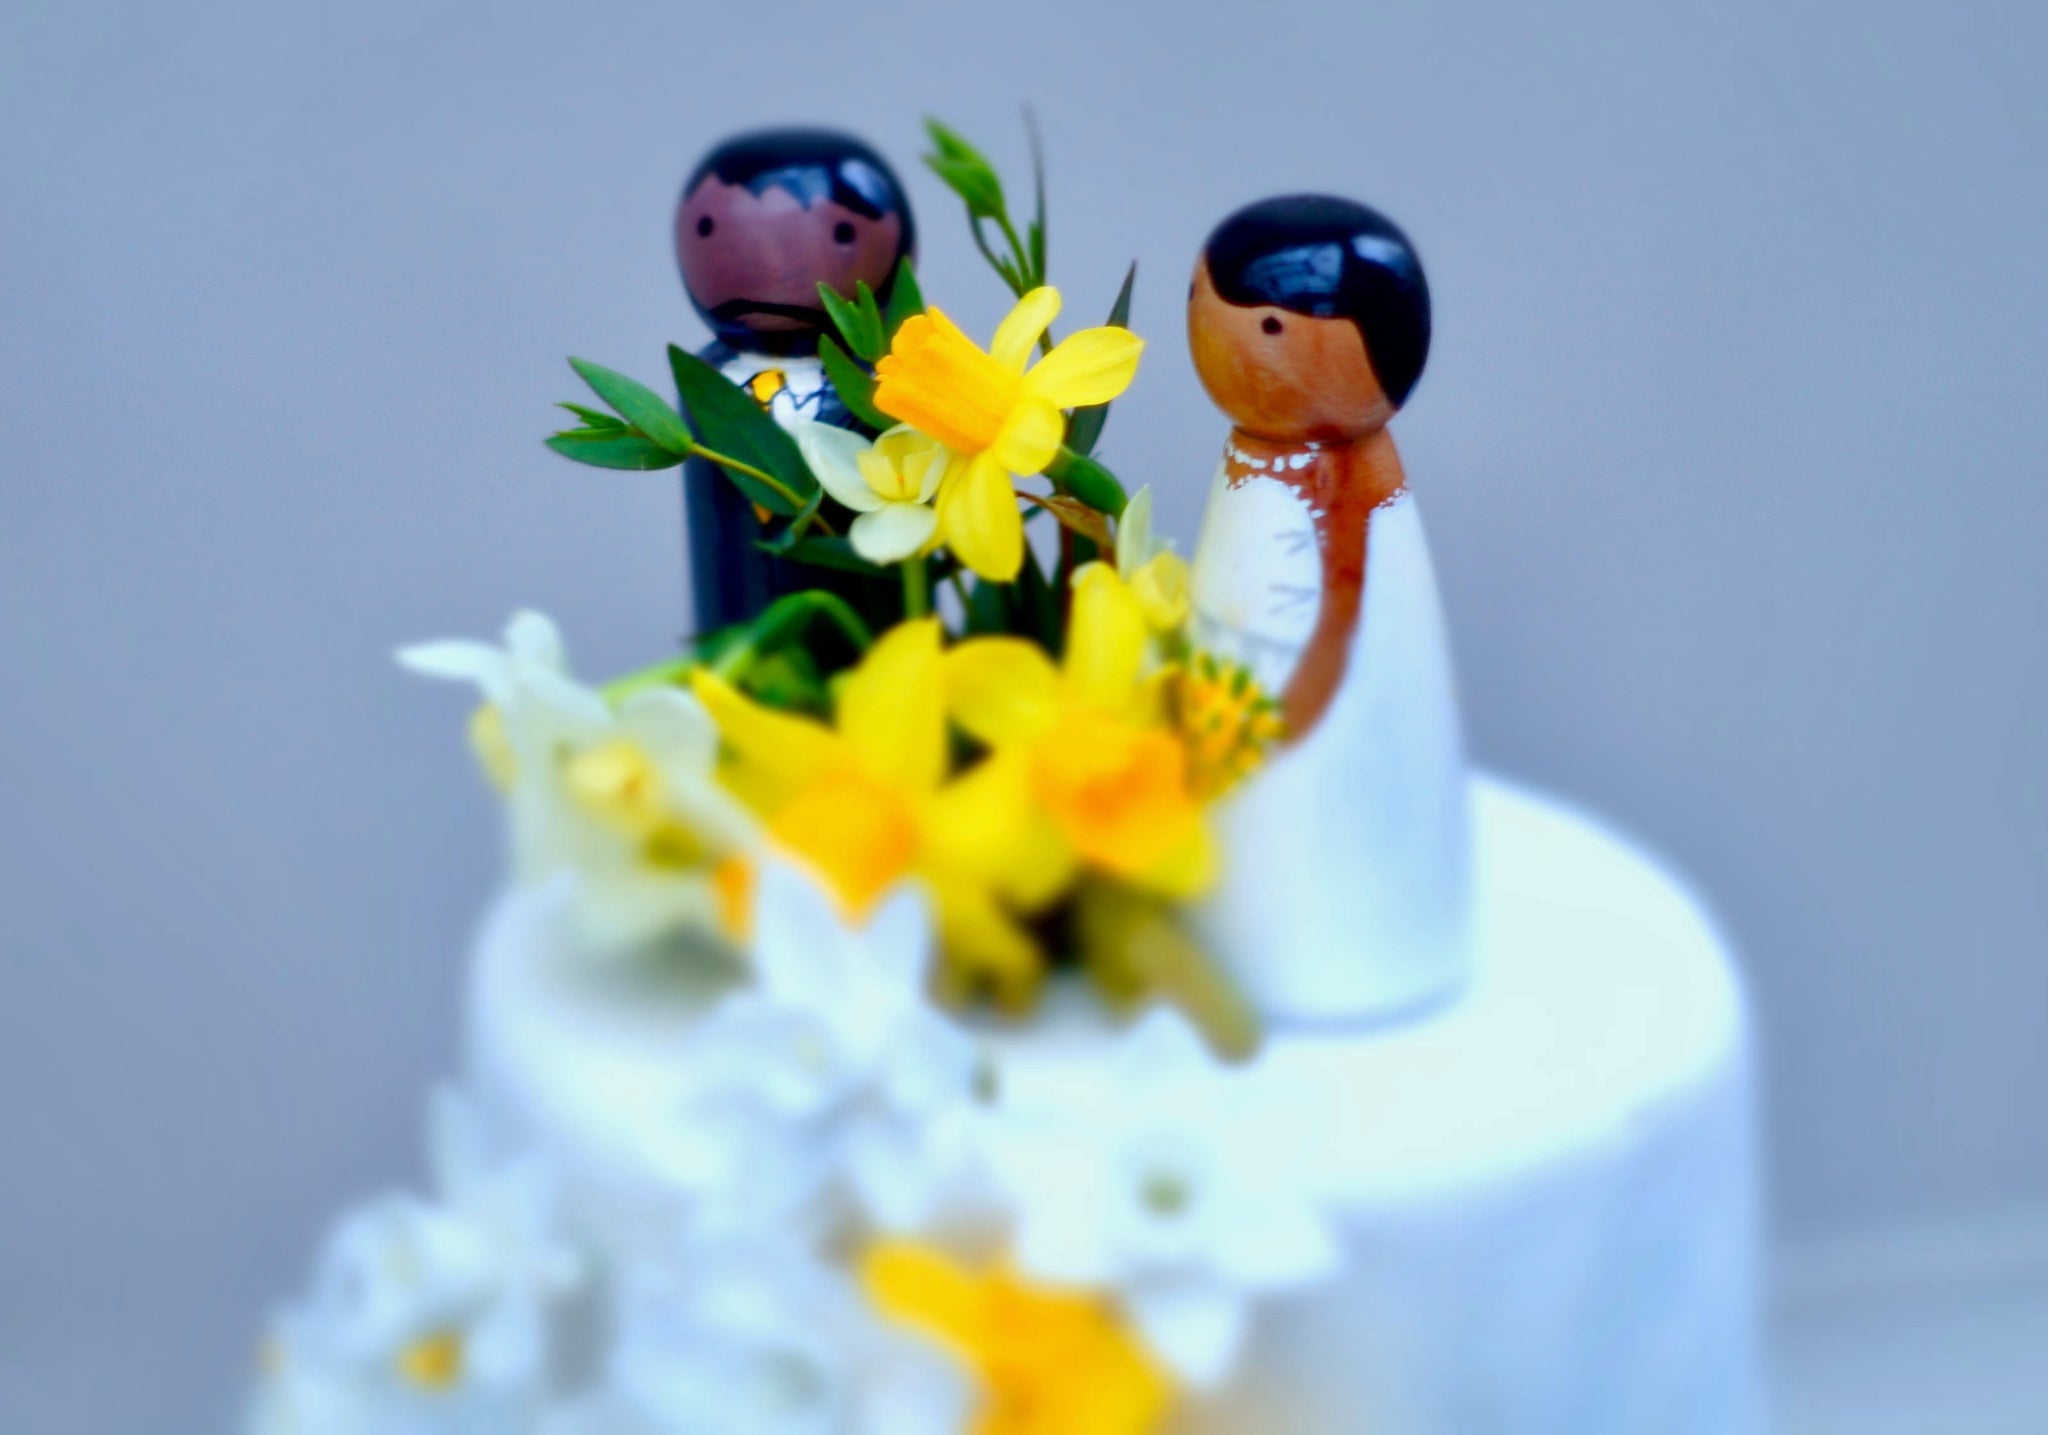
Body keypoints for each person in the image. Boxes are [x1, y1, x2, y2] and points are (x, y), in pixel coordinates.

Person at [673, 128, 916, 634]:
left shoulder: (892, 377)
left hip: (872, 625)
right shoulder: (708, 381)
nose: (777, 264)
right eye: (710, 230)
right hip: (733, 604)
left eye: (841, 236)